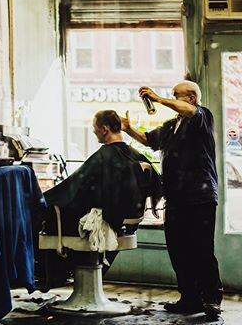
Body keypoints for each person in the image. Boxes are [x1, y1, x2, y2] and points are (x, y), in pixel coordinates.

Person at [121, 81, 223, 320]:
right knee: (178, 250)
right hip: (176, 197)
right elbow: (149, 140)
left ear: (191, 99)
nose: (173, 99)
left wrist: (157, 99)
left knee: (202, 250)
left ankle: (211, 299)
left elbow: (187, 111)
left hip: (200, 196)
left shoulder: (202, 117)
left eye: (177, 96)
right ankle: (189, 298)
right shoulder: (172, 126)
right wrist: (128, 129)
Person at [40, 109, 162, 289]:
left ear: (104, 129)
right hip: (125, 221)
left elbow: (73, 188)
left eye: (94, 128)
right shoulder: (135, 155)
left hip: (108, 218)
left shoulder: (105, 156)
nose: (94, 131)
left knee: (48, 216)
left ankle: (52, 276)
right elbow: (157, 184)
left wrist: (43, 199)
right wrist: (151, 207)